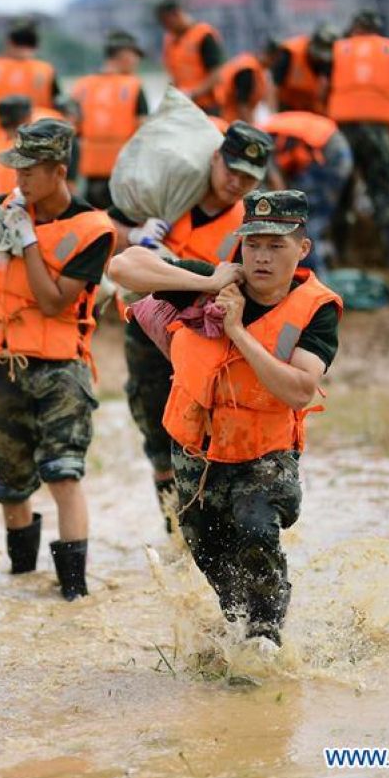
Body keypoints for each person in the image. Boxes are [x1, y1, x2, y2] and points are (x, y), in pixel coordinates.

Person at [108, 189, 342, 652]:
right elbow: (122, 267)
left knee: (256, 530)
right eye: (253, 243)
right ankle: (240, 628)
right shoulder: (214, 282)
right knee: (207, 549)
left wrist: (236, 331)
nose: (262, 257)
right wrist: (206, 283)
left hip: (264, 450)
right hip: (198, 450)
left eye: (277, 246)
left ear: (302, 249)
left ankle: (266, 636)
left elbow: (299, 389)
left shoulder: (316, 308)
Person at [0, 119, 116, 600]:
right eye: (17, 169)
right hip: (6, 365)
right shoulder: (10, 211)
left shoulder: (94, 231)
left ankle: (74, 592)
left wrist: (28, 242)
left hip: (60, 372)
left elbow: (54, 302)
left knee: (63, 472)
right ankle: (22, 579)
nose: (21, 180)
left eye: (31, 171)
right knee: (10, 479)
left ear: (59, 171)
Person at [109, 122, 273, 532]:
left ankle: (205, 527)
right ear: (215, 158)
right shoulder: (171, 193)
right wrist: (136, 233)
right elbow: (102, 228)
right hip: (146, 329)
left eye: (248, 177)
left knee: (202, 432)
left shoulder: (248, 226)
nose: (236, 182)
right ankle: (174, 529)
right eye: (231, 170)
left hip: (202, 338)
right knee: (153, 427)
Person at [326, 9, 389, 266]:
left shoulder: (339, 49)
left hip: (343, 131)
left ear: (354, 29)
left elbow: (324, 88)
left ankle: (340, 255)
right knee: (382, 192)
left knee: (341, 193)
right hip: (378, 129)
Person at [261, 110, 353, 274]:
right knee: (312, 218)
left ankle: (314, 275)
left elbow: (277, 184)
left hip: (328, 153)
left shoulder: (261, 140)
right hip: (334, 146)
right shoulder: (271, 129)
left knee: (303, 220)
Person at [72, 30, 149, 209]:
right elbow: (144, 130)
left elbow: (72, 128)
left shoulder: (82, 86)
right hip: (124, 173)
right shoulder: (133, 85)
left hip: (90, 172)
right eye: (135, 55)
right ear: (123, 55)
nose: (137, 61)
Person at [0, 17, 58, 143]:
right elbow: (55, 108)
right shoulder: (46, 70)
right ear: (36, 44)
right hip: (36, 145)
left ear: (9, 42)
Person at [156, 0, 225, 114]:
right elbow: (173, 74)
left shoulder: (203, 35)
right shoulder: (169, 40)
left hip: (207, 106)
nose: (166, 28)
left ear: (176, 14)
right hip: (183, 106)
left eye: (167, 22)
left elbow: (216, 74)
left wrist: (192, 93)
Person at [269, 25, 336, 114]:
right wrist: (273, 114)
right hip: (287, 106)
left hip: (311, 109)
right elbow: (274, 85)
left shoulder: (328, 61)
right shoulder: (291, 53)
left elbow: (327, 89)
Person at [213, 45, 269, 125]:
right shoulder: (248, 71)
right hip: (229, 118)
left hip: (224, 111)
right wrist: (251, 127)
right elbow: (242, 103)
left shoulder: (249, 62)